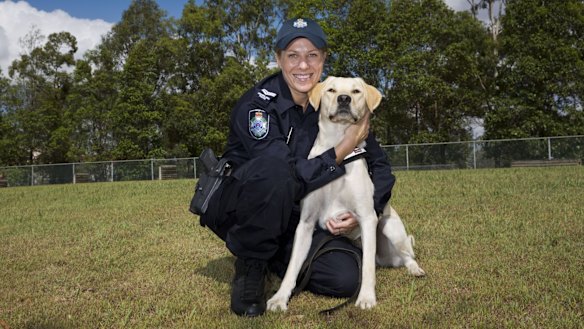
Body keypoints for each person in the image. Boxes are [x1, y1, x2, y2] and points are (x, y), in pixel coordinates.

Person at [198, 17, 395, 317]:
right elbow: (286, 175)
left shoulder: (336, 105)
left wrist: (368, 211)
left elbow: (380, 167)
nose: (303, 65)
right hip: (242, 205)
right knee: (275, 172)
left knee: (344, 278)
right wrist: (343, 148)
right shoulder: (259, 107)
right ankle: (252, 263)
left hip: (291, 213)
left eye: (312, 55)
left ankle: (277, 255)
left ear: (323, 60)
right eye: (293, 56)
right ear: (278, 59)